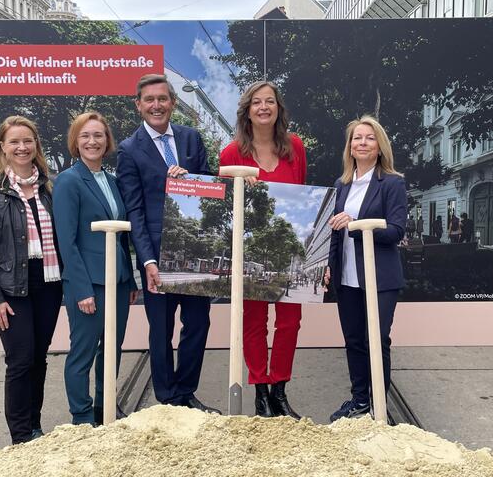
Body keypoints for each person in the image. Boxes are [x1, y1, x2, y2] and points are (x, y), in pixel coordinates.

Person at [116, 74, 218, 413]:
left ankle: (186, 393)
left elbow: (212, 191)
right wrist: (147, 261)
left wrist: (193, 182)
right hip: (157, 258)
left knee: (198, 324)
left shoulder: (191, 139)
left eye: (162, 98)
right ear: (139, 105)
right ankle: (166, 399)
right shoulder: (129, 150)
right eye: (149, 100)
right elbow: (134, 210)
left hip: (194, 254)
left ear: (172, 103)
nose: (157, 105)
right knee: (160, 330)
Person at [0, 116, 63, 444]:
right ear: (2, 148)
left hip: (49, 283)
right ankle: (21, 437)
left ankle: (34, 425)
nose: (22, 147)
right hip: (12, 286)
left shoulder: (50, 186)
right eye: (14, 142)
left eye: (28, 141)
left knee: (39, 356)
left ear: (36, 145)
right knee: (20, 359)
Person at [220, 81, 305, 419]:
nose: (264, 107)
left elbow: (301, 197)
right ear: (247, 111)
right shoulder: (231, 153)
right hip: (250, 251)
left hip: (288, 250)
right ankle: (260, 393)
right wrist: (240, 181)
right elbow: (223, 200)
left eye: (270, 101)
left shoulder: (295, 147)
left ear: (278, 109)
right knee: (254, 322)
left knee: (290, 321)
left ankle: (280, 390)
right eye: (257, 102)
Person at [54, 112, 139, 425]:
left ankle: (105, 407)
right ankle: (82, 416)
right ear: (76, 141)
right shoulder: (68, 180)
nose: (92, 141)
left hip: (117, 281)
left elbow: (121, 236)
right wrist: (80, 289)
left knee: (112, 350)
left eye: (99, 135)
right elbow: (67, 241)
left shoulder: (112, 181)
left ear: (107, 141)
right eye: (85, 136)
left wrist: (129, 280)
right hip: (89, 284)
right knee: (83, 352)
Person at [323, 115, 406, 421]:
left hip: (380, 278)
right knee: (355, 341)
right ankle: (359, 401)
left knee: (377, 339)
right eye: (357, 138)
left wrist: (355, 226)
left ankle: (378, 406)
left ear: (380, 146)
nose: (362, 142)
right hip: (346, 278)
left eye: (369, 138)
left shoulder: (393, 183)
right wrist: (328, 266)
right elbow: (334, 230)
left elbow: (396, 231)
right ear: (349, 146)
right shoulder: (341, 184)